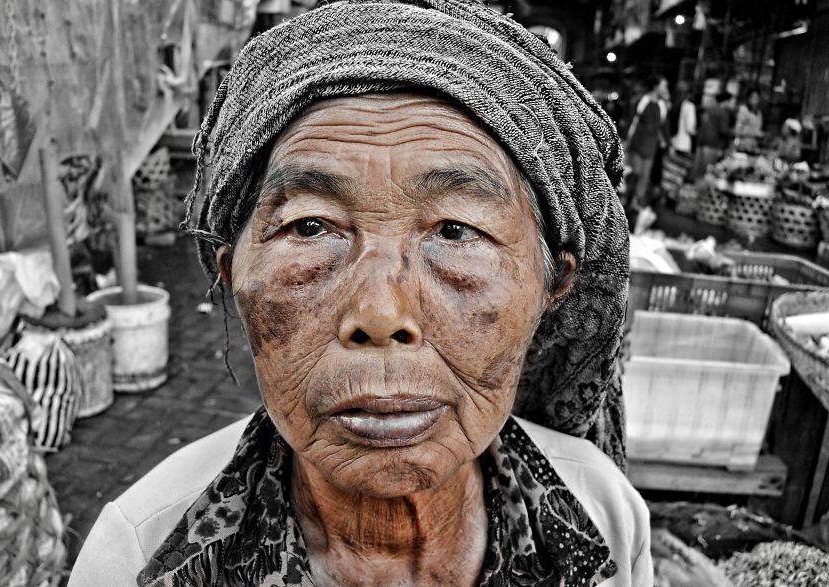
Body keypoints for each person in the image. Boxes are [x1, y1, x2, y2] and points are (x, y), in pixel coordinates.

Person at [69, 0, 651, 585]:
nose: (380, 314)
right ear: (230, 276)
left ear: (554, 285)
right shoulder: (138, 557)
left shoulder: (604, 516)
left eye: (456, 230)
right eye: (309, 227)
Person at [625, 76, 670, 210]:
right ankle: (627, 198)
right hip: (638, 144)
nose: (665, 89)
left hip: (651, 147)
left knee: (645, 176)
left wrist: (666, 142)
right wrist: (626, 140)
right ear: (656, 87)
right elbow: (632, 122)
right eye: (663, 86)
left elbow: (662, 126)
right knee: (635, 173)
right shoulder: (642, 101)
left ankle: (636, 202)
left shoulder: (662, 105)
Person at [692, 92, 733, 179]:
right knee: (708, 171)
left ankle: (694, 184)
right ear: (726, 101)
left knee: (698, 169)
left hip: (701, 141)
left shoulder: (708, 110)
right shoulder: (723, 113)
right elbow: (724, 130)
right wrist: (732, 132)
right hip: (712, 144)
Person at [734, 88, 764, 153]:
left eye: (757, 97)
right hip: (743, 144)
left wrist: (761, 134)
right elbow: (738, 129)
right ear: (748, 98)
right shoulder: (743, 110)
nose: (755, 99)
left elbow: (758, 129)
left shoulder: (759, 113)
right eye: (752, 97)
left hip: (754, 145)